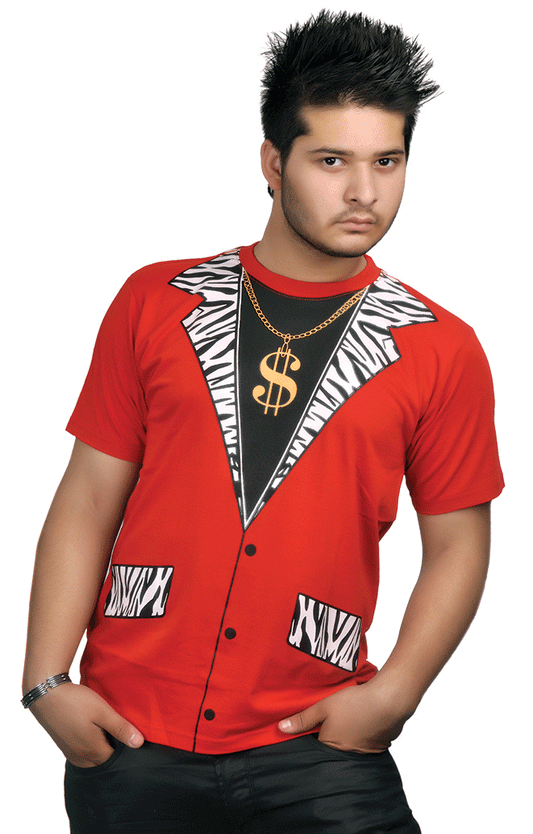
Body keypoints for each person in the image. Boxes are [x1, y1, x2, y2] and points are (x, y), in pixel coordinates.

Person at [22, 9, 504, 833]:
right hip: (132, 732)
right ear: (272, 164)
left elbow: (458, 545)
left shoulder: (438, 347)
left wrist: (393, 696)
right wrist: (45, 683)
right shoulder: (157, 301)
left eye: (387, 161)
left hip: (316, 737)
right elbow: (90, 494)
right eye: (331, 160)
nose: (363, 193)